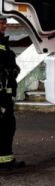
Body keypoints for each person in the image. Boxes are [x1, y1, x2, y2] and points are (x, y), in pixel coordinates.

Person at [0, 15, 23, 170]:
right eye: (1, 22)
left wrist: (13, 70)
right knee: (5, 126)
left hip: (6, 94)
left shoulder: (3, 42)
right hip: (1, 94)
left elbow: (9, 65)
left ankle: (6, 159)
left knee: (8, 125)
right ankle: (4, 161)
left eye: (5, 22)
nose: (4, 25)